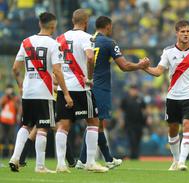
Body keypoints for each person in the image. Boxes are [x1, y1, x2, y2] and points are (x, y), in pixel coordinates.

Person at [76, 16, 150, 169]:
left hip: (84, 86)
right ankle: (90, 160)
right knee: (96, 124)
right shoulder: (109, 42)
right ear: (108, 26)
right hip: (100, 87)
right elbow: (124, 66)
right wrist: (140, 65)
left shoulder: (88, 40)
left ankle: (97, 160)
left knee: (94, 123)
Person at [143, 20, 189, 171]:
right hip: (173, 97)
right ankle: (176, 160)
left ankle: (182, 161)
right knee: (173, 129)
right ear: (176, 33)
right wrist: (145, 68)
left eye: (188, 31)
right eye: (182, 32)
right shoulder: (168, 52)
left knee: (188, 125)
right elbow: (158, 72)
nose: (186, 34)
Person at [9, 12, 73, 173]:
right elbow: (57, 71)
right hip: (44, 92)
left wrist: (21, 86)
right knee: (43, 127)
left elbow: (15, 68)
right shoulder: (53, 44)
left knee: (26, 125)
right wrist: (65, 93)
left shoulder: (26, 42)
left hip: (28, 92)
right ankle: (40, 166)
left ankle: (15, 157)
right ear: (53, 26)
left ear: (39, 24)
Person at [55, 9, 108, 173]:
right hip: (81, 86)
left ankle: (60, 164)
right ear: (86, 22)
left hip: (64, 87)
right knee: (93, 121)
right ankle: (90, 162)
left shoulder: (60, 38)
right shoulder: (87, 38)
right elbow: (90, 57)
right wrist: (90, 78)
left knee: (63, 126)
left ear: (72, 20)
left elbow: (54, 63)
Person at [120, 85, 147, 159]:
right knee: (132, 139)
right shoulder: (125, 100)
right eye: (132, 90)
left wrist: (147, 118)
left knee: (138, 139)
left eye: (135, 90)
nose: (134, 91)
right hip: (129, 123)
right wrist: (121, 120)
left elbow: (144, 110)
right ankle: (133, 155)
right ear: (129, 91)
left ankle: (136, 155)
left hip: (139, 123)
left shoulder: (141, 99)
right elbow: (122, 111)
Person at [0, 85, 20, 157]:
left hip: (11, 122)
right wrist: (6, 95)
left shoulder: (15, 99)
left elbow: (17, 108)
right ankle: (1, 155)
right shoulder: (4, 98)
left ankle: (10, 155)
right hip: (3, 121)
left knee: (11, 138)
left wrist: (12, 98)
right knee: (1, 138)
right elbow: (1, 104)